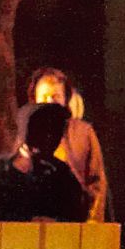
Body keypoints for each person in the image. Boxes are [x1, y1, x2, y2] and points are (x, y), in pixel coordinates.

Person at [0, 100, 91, 222]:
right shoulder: (1, 170)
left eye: (55, 129)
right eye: (43, 128)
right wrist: (26, 221)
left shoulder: (62, 174)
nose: (50, 136)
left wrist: (56, 222)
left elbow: (76, 215)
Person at [26, 69, 107, 221]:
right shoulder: (24, 135)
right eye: (44, 97)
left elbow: (97, 184)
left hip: (76, 226)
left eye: (55, 97)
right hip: (35, 228)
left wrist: (93, 225)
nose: (49, 102)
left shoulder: (83, 133)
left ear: (65, 99)